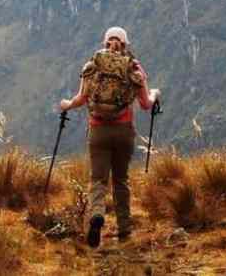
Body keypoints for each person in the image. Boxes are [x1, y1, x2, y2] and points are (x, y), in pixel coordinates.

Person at [60, 26, 160, 248]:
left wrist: (66, 105)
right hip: (124, 131)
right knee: (121, 180)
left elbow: (80, 99)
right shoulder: (134, 68)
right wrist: (155, 94)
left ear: (106, 42)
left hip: (98, 131)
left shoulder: (92, 66)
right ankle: (124, 229)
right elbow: (145, 104)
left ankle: (97, 215)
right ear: (125, 44)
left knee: (98, 180)